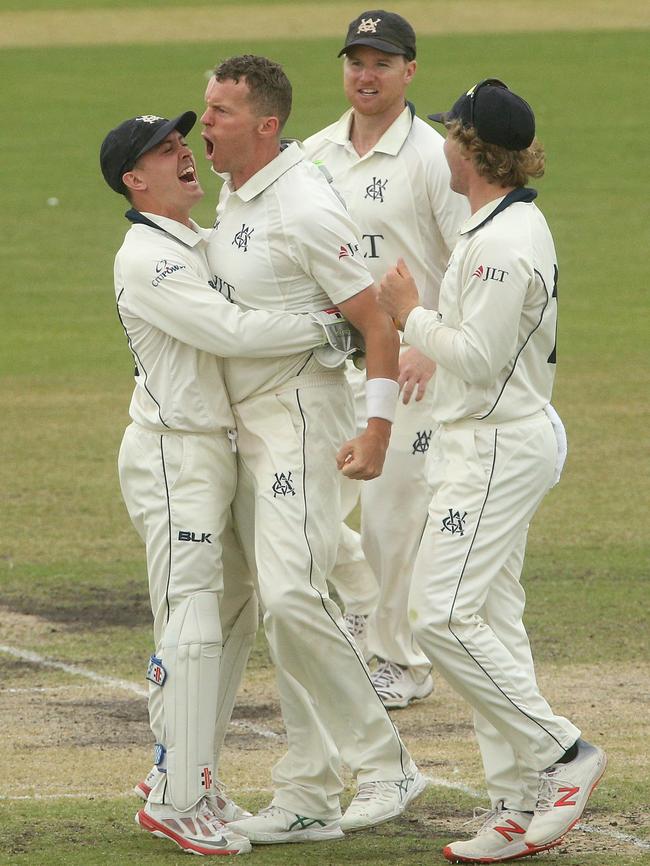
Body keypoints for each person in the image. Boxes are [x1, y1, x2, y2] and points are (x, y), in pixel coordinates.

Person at [377, 79, 607, 863]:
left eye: (451, 131)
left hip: (500, 446)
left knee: (437, 616)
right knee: (490, 621)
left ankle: (563, 754)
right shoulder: (495, 226)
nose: (441, 140)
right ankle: (513, 802)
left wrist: (410, 312)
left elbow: (477, 359)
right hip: (481, 441)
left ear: (473, 150)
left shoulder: (506, 242)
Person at [200, 53, 425, 844]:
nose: (205, 124)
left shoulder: (304, 205)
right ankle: (307, 792)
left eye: (221, 112)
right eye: (206, 108)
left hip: (303, 420)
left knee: (294, 599)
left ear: (266, 124)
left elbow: (376, 323)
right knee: (290, 609)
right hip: (250, 428)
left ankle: (387, 759)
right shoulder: (234, 191)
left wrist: (376, 428)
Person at [100, 110, 337, 856]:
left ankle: (183, 769)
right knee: (194, 618)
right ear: (135, 180)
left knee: (230, 615)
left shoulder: (193, 242)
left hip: (213, 451)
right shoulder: (149, 257)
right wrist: (329, 328)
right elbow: (230, 334)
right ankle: (175, 798)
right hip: (175, 457)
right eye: (163, 151)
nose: (183, 153)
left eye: (181, 142)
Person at [304, 9, 469, 707]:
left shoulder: (433, 157)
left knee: (391, 516)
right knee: (318, 505)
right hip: (338, 362)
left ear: (410, 70)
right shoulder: (314, 154)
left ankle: (399, 661)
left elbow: (468, 256)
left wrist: (432, 344)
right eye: (355, 61)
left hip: (412, 368)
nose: (365, 75)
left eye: (381, 62)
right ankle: (366, 617)